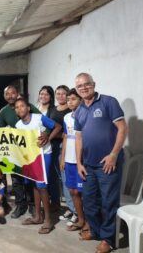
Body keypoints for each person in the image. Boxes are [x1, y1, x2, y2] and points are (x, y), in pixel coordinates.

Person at [74, 73, 127, 253]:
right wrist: (79, 163)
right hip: (88, 165)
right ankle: (96, 231)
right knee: (89, 202)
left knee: (108, 203)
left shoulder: (108, 102)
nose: (84, 88)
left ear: (94, 84)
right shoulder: (79, 111)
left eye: (87, 84)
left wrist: (113, 154)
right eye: (80, 86)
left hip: (108, 163)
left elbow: (122, 128)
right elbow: (79, 139)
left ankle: (108, 239)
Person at [15, 98, 61, 234]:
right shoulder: (18, 125)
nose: (19, 109)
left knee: (42, 186)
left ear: (28, 108)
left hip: (44, 154)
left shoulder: (39, 118)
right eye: (17, 107)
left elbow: (57, 127)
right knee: (35, 184)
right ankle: (38, 216)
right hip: (31, 157)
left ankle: (48, 220)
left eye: (22, 106)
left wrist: (48, 136)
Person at [0, 85, 46, 218]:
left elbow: (43, 120)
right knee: (16, 179)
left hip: (31, 150)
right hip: (14, 150)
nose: (10, 96)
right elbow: (2, 132)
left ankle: (32, 205)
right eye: (7, 94)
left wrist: (46, 134)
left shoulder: (28, 106)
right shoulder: (3, 112)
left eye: (12, 93)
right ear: (4, 97)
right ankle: (20, 205)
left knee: (30, 177)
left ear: (17, 93)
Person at [60, 88, 86, 232]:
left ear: (80, 100)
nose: (70, 102)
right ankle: (80, 219)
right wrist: (63, 158)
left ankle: (87, 221)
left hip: (80, 161)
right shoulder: (66, 117)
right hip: (69, 160)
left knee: (82, 192)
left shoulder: (84, 115)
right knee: (72, 191)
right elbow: (65, 138)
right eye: (68, 99)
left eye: (73, 99)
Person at [49, 85, 74, 216]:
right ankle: (56, 203)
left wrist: (54, 135)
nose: (60, 96)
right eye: (57, 93)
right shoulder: (52, 109)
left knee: (64, 178)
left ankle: (72, 208)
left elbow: (67, 132)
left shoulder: (70, 110)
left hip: (64, 146)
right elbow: (48, 126)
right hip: (51, 146)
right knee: (53, 177)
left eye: (63, 94)